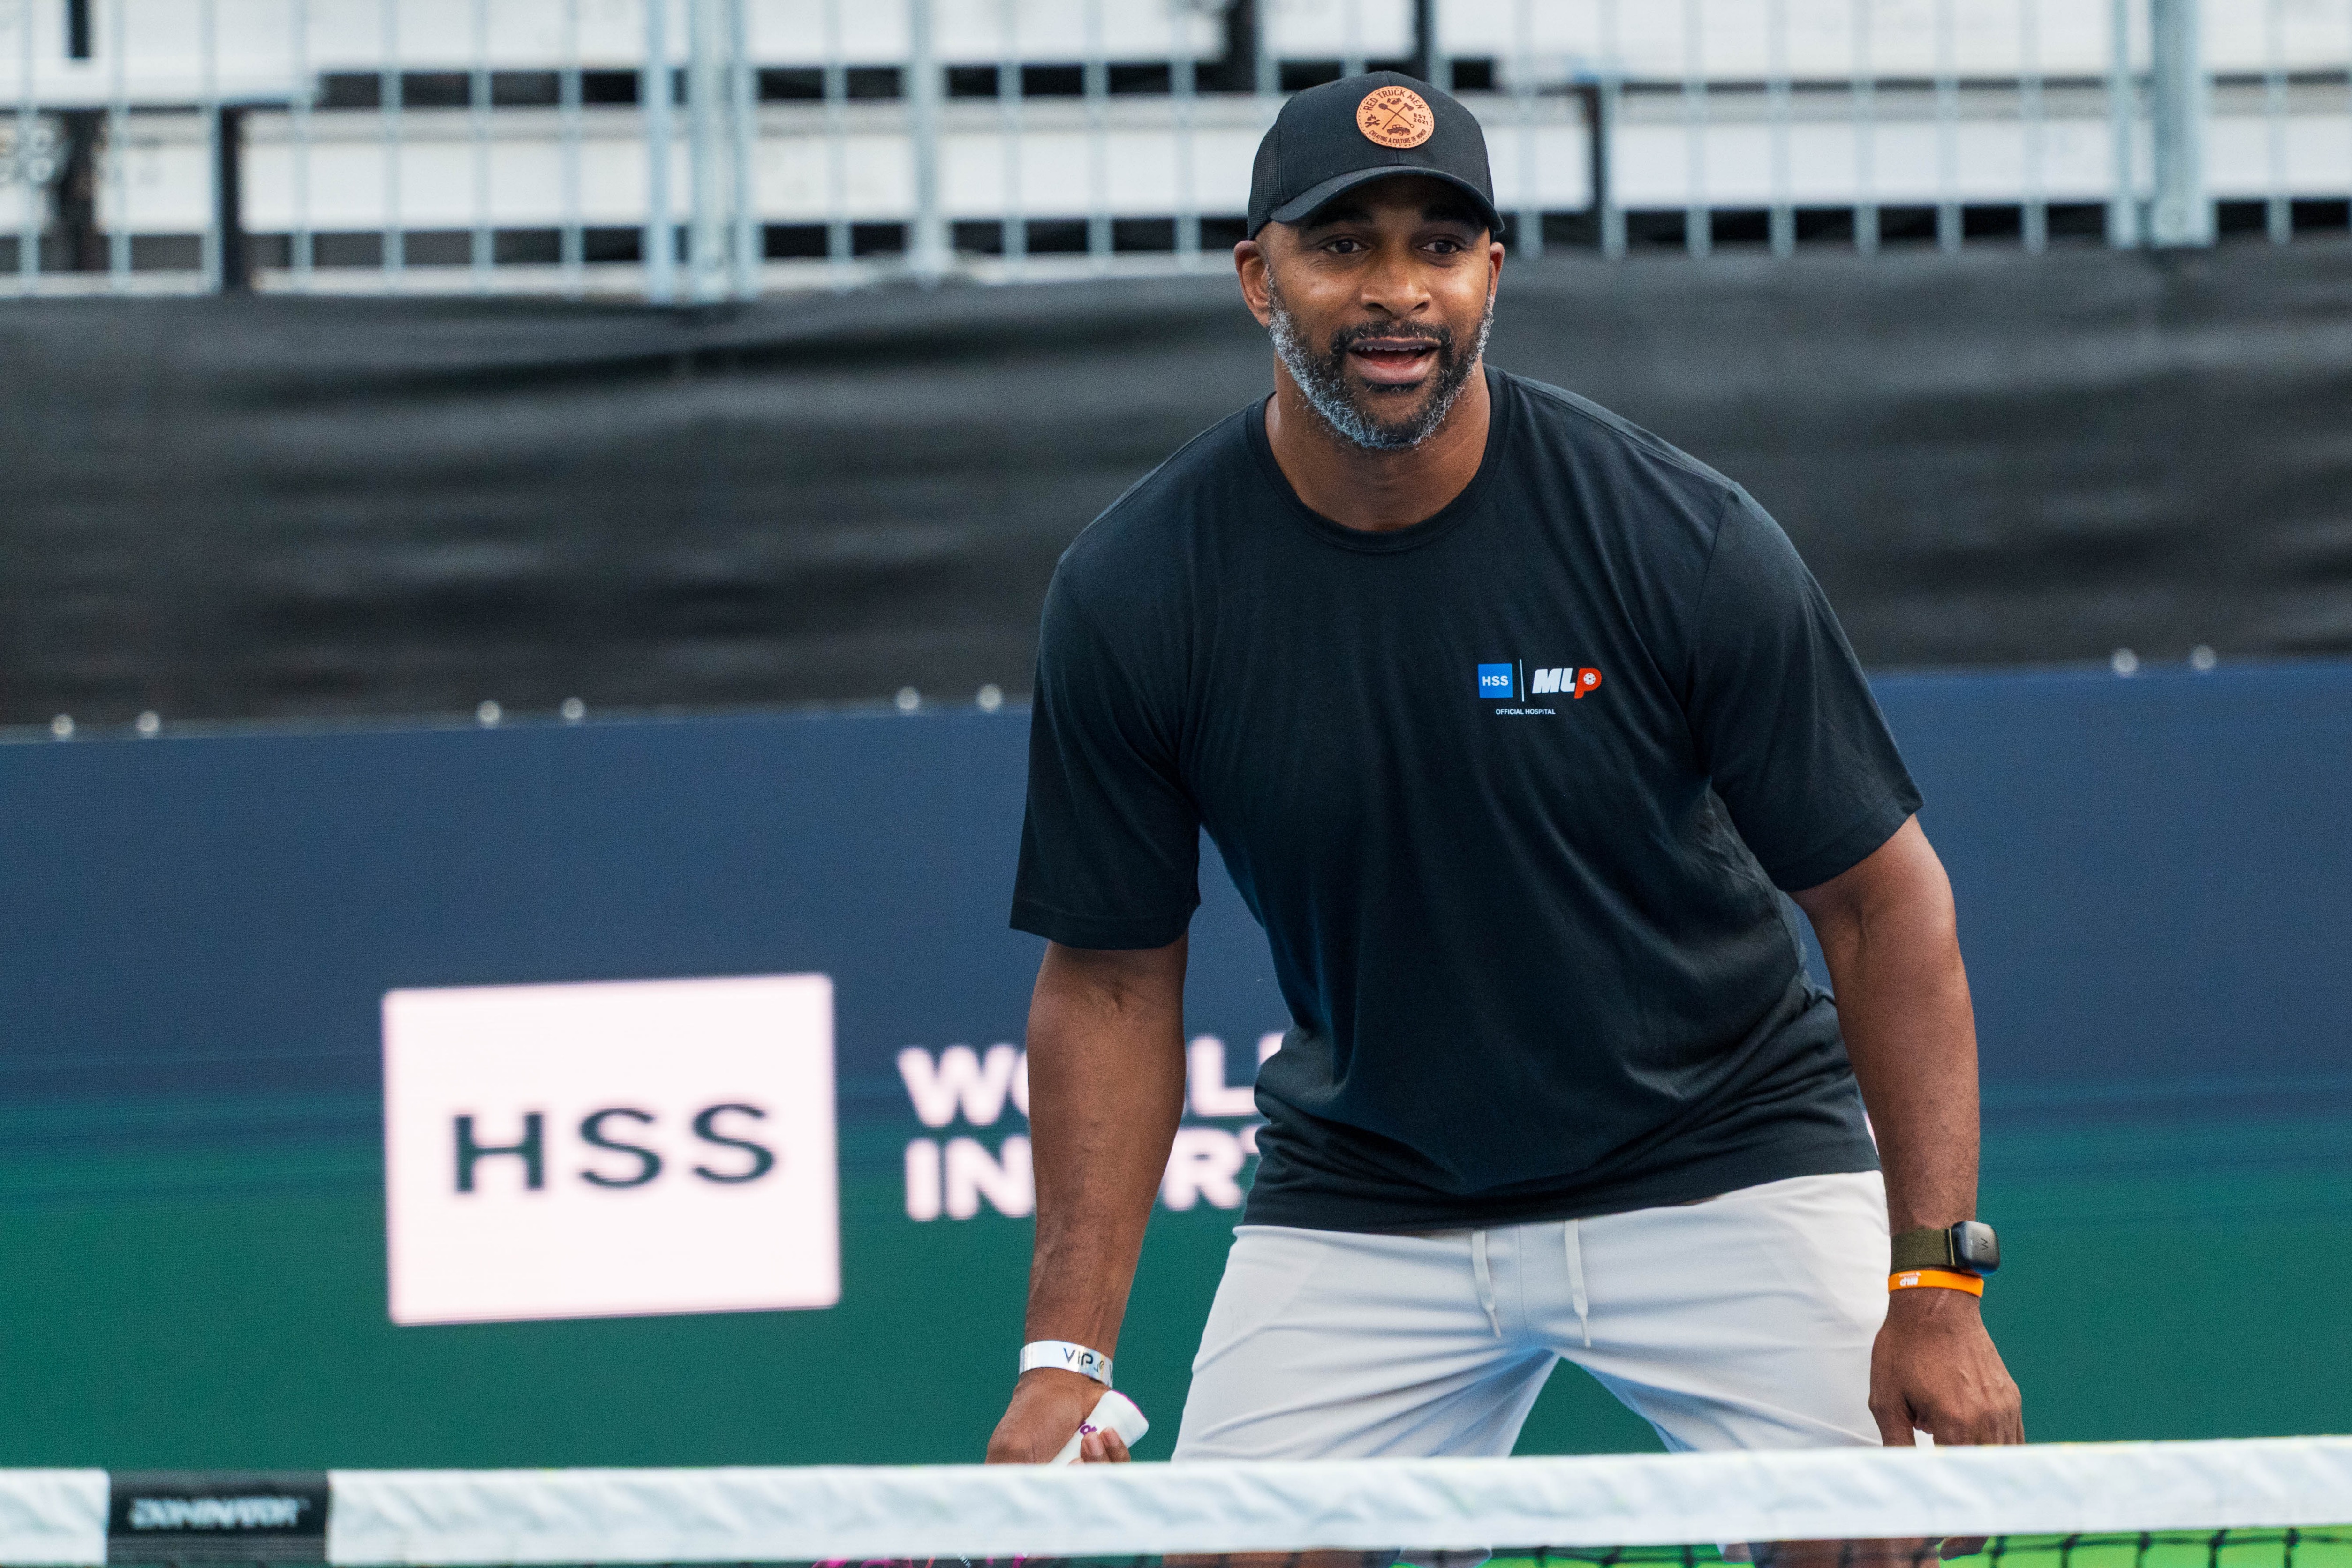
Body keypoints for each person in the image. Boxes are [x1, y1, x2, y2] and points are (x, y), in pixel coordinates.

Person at [985, 71, 2022, 1488]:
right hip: (1369, 1195)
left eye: (1439, 244)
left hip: (1724, 1156)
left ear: (1492, 271)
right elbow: (1108, 982)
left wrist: (1936, 1286)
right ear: (1255, 277)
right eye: (1342, 245)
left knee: (1886, 1530)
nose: (1397, 292)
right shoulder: (1132, 590)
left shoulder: (1683, 539)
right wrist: (1066, 1363)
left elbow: (1881, 908)